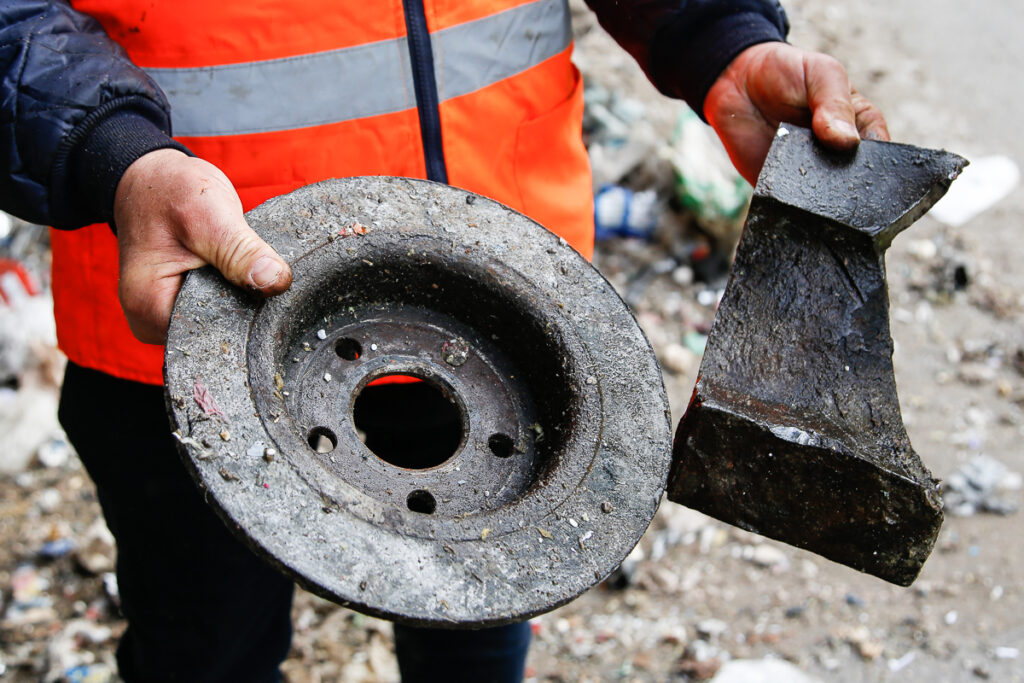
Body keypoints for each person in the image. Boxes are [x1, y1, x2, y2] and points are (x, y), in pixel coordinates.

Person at [0, 1, 888, 681]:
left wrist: (722, 37)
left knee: (474, 643)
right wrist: (114, 153)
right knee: (203, 648)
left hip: (511, 309)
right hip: (199, 304)